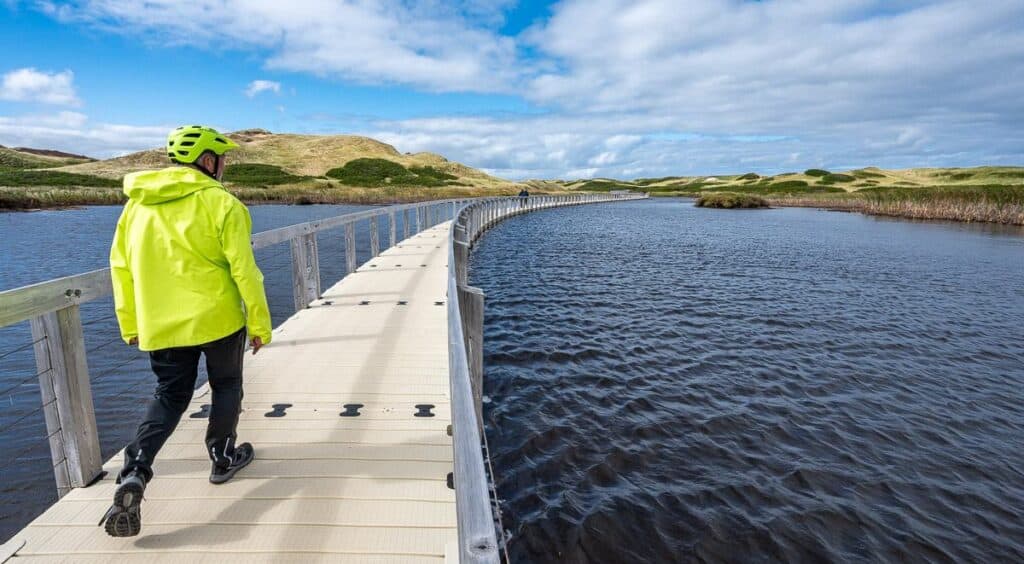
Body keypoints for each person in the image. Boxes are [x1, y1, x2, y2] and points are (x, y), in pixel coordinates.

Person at [99, 125, 272, 538]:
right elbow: (244, 271)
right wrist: (261, 323)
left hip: (162, 322)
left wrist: (131, 322)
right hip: (218, 319)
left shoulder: (136, 206)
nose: (224, 167)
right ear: (208, 161)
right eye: (222, 159)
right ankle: (223, 457)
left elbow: (120, 269)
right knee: (226, 385)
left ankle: (136, 471)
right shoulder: (223, 204)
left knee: (169, 396)